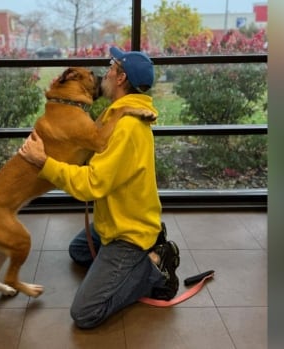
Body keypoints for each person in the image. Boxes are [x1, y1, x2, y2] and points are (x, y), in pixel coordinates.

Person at [18, 46, 180, 329]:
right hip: (113, 220)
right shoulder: (114, 114)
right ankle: (145, 248)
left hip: (128, 232)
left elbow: (92, 184)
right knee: (79, 251)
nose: (105, 72)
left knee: (84, 313)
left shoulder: (127, 126)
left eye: (111, 67)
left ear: (120, 78)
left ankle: (155, 265)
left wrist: (43, 162)